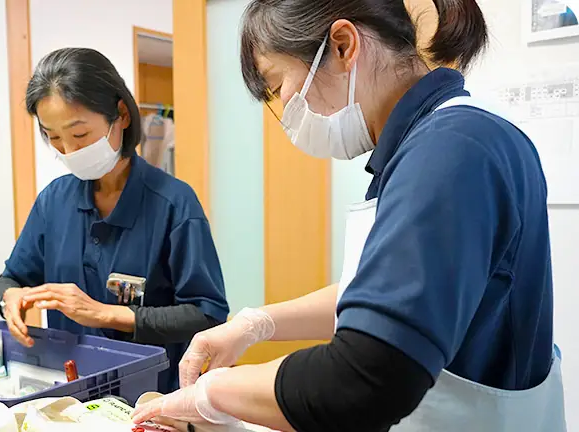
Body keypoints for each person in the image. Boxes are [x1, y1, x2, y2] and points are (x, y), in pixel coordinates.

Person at [132, 0, 567, 431]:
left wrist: (214, 394)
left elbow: (365, 378)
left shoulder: (450, 150)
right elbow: (386, 293)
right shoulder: (434, 141)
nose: (284, 106)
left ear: (342, 45)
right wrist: (256, 323)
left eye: (277, 82)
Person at [0, 48, 230, 394]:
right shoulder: (53, 202)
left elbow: (207, 314)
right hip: (70, 394)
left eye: (80, 134)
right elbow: (11, 278)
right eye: (53, 137)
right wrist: (10, 298)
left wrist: (105, 314)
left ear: (121, 115)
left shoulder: (174, 204)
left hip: (151, 397)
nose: (68, 150)